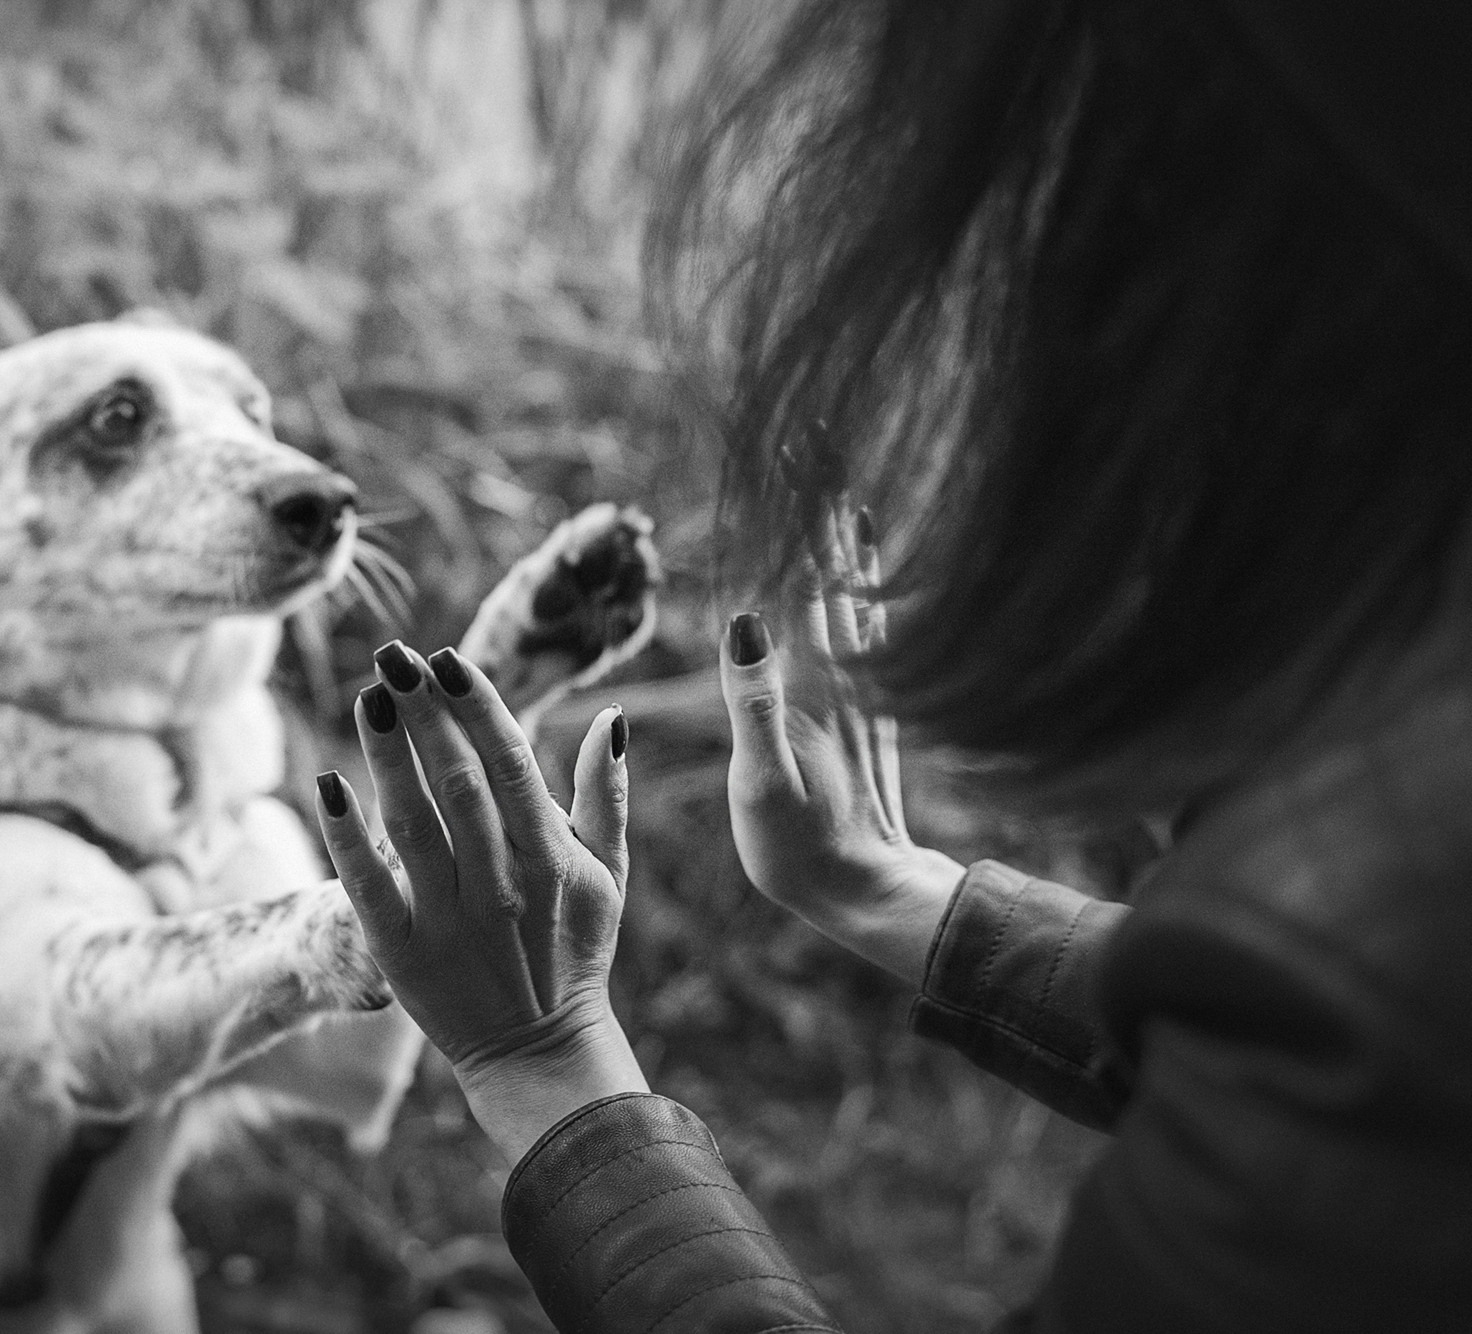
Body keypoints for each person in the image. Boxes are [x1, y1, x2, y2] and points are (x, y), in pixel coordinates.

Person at [313, 0, 1472, 1329]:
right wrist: (900, 893)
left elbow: (1350, 1033)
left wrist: (547, 1061)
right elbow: (1299, 1050)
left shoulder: (1386, 953)